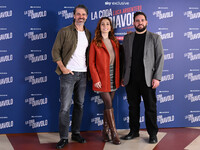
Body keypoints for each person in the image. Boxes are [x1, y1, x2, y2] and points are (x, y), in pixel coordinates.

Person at [121, 11, 164, 144]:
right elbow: (124, 59)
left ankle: (152, 134)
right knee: (133, 107)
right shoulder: (127, 38)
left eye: (142, 20)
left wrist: (157, 77)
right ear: (134, 23)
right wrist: (124, 77)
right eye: (137, 21)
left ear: (146, 22)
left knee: (150, 107)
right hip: (131, 80)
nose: (140, 23)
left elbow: (160, 58)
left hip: (148, 80)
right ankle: (134, 131)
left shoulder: (155, 37)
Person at [52, 4, 91, 149]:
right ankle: (63, 137)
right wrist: (63, 68)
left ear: (86, 17)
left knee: (80, 105)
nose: (81, 17)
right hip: (68, 74)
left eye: (83, 14)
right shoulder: (64, 31)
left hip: (83, 74)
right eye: (78, 14)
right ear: (74, 16)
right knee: (65, 107)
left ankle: (75, 133)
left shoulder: (88, 33)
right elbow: (55, 51)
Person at [89, 17, 121, 145]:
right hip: (102, 77)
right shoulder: (95, 42)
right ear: (99, 27)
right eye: (103, 24)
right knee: (109, 104)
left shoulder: (114, 42)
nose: (105, 26)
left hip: (113, 76)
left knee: (108, 105)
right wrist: (96, 79)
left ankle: (105, 131)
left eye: (108, 24)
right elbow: (91, 63)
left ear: (110, 27)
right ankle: (114, 133)